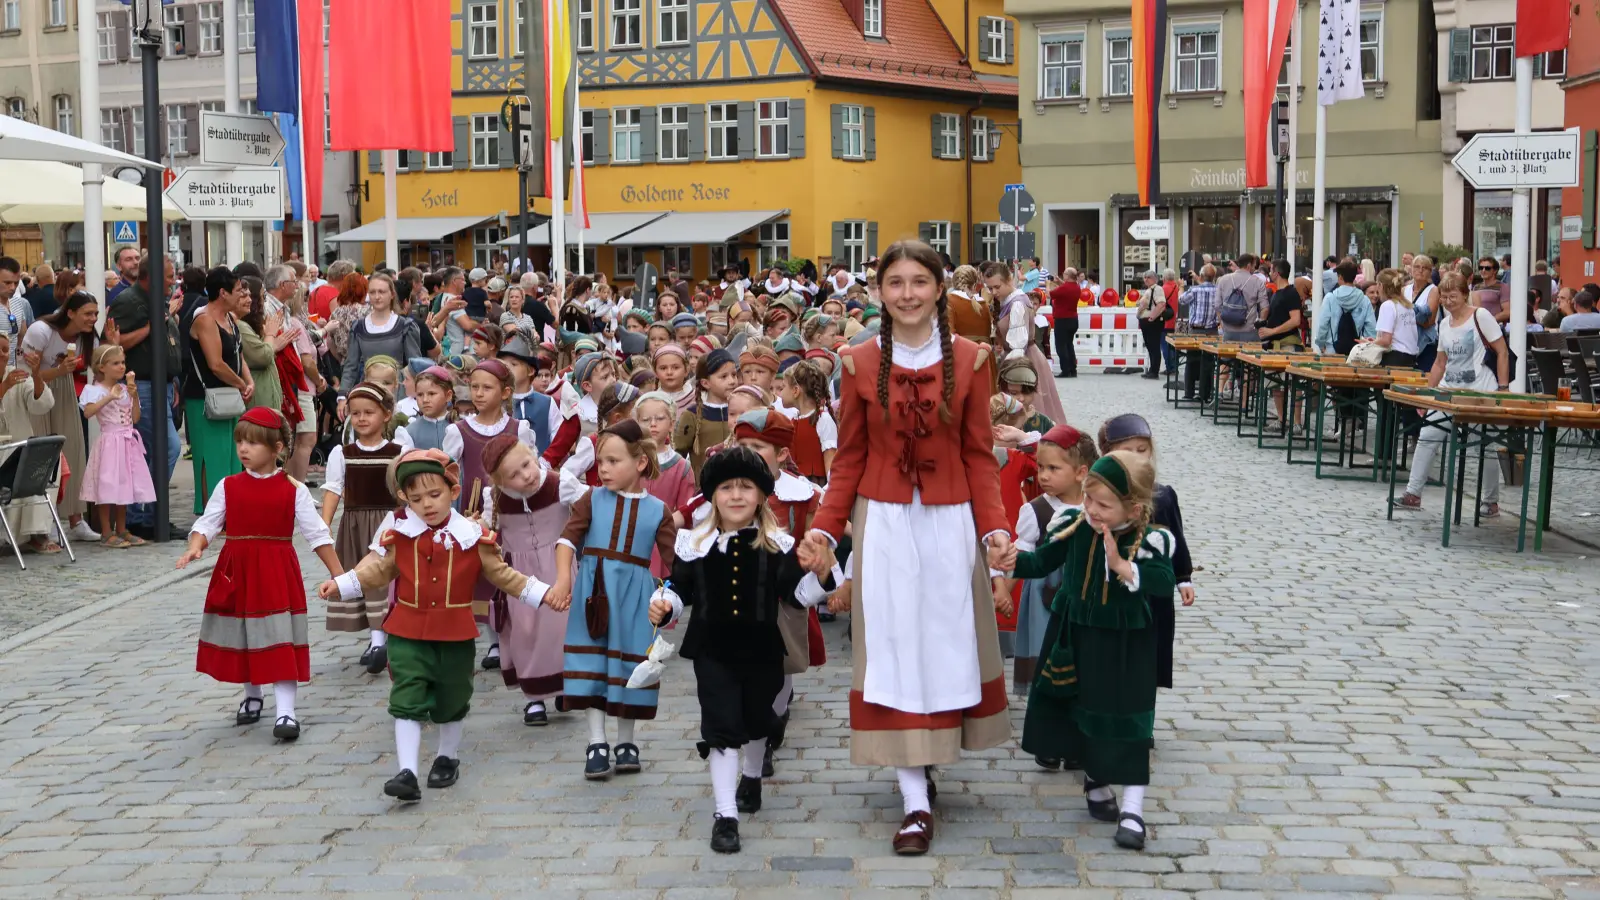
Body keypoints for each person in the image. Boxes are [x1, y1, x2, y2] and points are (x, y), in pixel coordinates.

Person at [796, 240, 1012, 856]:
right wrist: (824, 525)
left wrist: (994, 528)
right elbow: (852, 458)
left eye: (920, 281)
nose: (908, 293)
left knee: (944, 646)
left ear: (940, 289)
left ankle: (932, 753)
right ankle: (914, 798)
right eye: (896, 282)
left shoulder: (970, 360)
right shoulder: (859, 361)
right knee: (891, 650)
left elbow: (977, 454)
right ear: (880, 290)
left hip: (948, 525)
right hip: (885, 523)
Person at [320, 449, 552, 802]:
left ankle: (447, 755)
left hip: (454, 631)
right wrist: (343, 582)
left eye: (434, 495)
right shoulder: (399, 536)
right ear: (405, 500)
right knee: (407, 696)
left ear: (453, 491)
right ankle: (408, 771)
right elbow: (378, 570)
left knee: (452, 696)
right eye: (415, 499)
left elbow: (503, 575)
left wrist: (542, 594)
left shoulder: (473, 538)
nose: (426, 505)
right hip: (407, 629)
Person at [648, 446, 836, 854]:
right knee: (721, 728)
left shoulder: (778, 546)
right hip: (712, 650)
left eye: (746, 487)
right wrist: (666, 603)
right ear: (713, 495)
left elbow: (797, 596)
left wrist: (822, 576)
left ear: (761, 496)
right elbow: (681, 588)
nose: (736, 495)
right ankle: (725, 815)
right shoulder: (695, 544)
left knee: (755, 721)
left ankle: (752, 776)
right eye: (727, 488)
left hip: (762, 649)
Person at [997, 451, 1177, 851]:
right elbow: (1042, 561)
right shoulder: (1074, 525)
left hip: (1125, 644)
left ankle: (1133, 807)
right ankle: (1095, 783)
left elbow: (1164, 582)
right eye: (1088, 499)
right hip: (1073, 634)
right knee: (1080, 712)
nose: (1091, 509)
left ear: (1134, 507)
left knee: (1129, 722)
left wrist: (1124, 567)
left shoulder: (1147, 539)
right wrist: (1009, 563)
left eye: (1103, 504)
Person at [179, 408, 343, 741]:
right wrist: (196, 545)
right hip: (237, 569)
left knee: (279, 635)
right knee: (244, 633)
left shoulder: (292, 490)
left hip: (276, 570)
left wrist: (340, 575)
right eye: (240, 441)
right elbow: (208, 524)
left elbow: (317, 534)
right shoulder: (228, 486)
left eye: (253, 443)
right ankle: (252, 695)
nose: (243, 448)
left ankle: (286, 712)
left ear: (278, 447)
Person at [550, 419, 678, 779]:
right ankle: (596, 742)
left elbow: (675, 566)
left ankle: (626, 741)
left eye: (612, 461)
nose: (603, 469)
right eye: (600, 462)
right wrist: (564, 581)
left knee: (631, 667)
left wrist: (668, 600)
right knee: (592, 667)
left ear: (639, 463)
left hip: (637, 600)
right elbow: (566, 541)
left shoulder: (659, 510)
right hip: (594, 596)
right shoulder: (591, 499)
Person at [478, 434, 574, 727]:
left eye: (527, 465)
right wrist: (476, 527)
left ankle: (562, 686)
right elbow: (488, 526)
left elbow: (587, 507)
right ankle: (534, 698)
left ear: (534, 456)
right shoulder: (494, 497)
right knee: (524, 632)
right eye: (514, 475)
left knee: (560, 631)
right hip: (518, 574)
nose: (526, 476)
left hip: (559, 566)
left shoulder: (561, 483)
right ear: (500, 482)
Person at [1397, 272, 1511, 516]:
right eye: (1444, 297)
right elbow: (1440, 362)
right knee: (1428, 434)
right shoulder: (1444, 323)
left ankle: (1490, 501)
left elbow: (1502, 351)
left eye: (1453, 296)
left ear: (1464, 294)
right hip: (1449, 392)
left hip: (1482, 392)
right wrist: (1429, 392)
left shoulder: (1481, 316)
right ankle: (1413, 493)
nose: (1448, 302)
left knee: (1488, 445)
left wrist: (1503, 388)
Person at [320, 382, 406, 672]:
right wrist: (325, 525)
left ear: (386, 414)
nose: (361, 418)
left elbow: (407, 489)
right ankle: (376, 638)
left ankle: (383, 639)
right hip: (356, 525)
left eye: (369, 412)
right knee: (365, 580)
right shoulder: (342, 453)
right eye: (355, 413)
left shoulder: (399, 451)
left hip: (389, 523)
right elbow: (334, 488)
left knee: (384, 581)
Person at [107, 255, 183, 539]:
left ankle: (147, 515)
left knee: (155, 451)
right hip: (142, 386)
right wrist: (150, 328)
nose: (172, 280)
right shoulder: (128, 301)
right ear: (150, 276)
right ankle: (145, 515)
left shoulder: (157, 300)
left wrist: (171, 378)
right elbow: (116, 343)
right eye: (168, 275)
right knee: (166, 448)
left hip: (160, 385)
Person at [22, 292, 100, 541]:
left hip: (64, 390)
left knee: (73, 450)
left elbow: (100, 365)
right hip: (37, 391)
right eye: (88, 313)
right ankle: (48, 520)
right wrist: (57, 371)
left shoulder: (87, 338)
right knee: (43, 454)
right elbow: (23, 377)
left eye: (95, 313)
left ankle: (76, 519)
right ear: (70, 313)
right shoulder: (41, 331)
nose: (93, 318)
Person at [183, 268, 253, 514]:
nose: (241, 295)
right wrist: (242, 384)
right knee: (210, 457)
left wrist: (248, 379)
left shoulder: (230, 318)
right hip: (205, 398)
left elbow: (237, 354)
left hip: (229, 395)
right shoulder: (204, 319)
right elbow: (215, 364)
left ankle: (231, 508)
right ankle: (211, 511)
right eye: (237, 291)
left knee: (231, 454)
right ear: (222, 293)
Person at [78, 345, 156, 548]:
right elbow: (88, 412)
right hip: (110, 442)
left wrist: (135, 396)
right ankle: (106, 531)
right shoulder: (94, 389)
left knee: (124, 486)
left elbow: (135, 417)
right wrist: (109, 397)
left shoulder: (124, 389)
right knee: (107, 486)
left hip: (127, 441)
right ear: (102, 367)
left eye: (122, 362)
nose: (121, 367)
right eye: (115, 363)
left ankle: (122, 529)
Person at [984, 262, 1066, 426]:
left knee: (1028, 409)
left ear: (1009, 280)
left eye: (997, 287)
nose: (993, 292)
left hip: (1022, 358)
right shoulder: (1011, 301)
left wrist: (1009, 367)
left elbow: (1017, 344)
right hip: (1022, 355)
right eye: (990, 288)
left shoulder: (1017, 303)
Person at [341, 273, 422, 395]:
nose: (377, 296)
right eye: (372, 292)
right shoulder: (358, 327)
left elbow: (415, 365)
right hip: (368, 392)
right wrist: (342, 395)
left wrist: (418, 393)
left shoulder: (405, 326)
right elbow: (351, 366)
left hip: (398, 392)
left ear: (392, 294)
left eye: (382, 292)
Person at [236, 276, 286, 418]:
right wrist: (270, 335)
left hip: (264, 399)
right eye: (243, 295)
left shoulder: (246, 325)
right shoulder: (241, 326)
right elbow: (263, 356)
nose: (249, 300)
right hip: (258, 401)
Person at [1312, 260, 1377, 355]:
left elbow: (1323, 325)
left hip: (1332, 350)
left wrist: (1321, 344)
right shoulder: (1364, 300)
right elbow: (1371, 328)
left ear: (1340, 277)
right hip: (1356, 352)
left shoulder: (1330, 298)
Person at [1214, 253, 1270, 344]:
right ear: (1248, 265)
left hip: (1228, 332)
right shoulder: (1257, 282)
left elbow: (1217, 306)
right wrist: (1260, 324)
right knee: (1249, 357)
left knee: (1228, 357)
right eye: (1254, 266)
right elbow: (1265, 308)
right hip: (1249, 332)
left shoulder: (1223, 280)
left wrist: (1223, 325)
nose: (1255, 268)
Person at [1373, 268, 1420, 367]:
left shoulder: (1388, 305)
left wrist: (1369, 343)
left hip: (1395, 357)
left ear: (1381, 285)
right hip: (1411, 357)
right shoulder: (1407, 306)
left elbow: (1386, 340)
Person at [1405, 255, 1440, 374]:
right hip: (1407, 342)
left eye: (1424, 268)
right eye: (1417, 267)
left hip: (1425, 343)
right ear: (1411, 269)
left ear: (1430, 272)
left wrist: (1406, 316)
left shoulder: (1433, 290)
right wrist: (1416, 314)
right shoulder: (1404, 289)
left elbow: (1428, 321)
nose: (1420, 270)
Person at [1135, 274, 1168, 380]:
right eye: (1144, 277)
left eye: (1148, 277)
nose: (1145, 279)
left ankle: (1154, 371)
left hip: (1152, 322)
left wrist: (1152, 317)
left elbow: (1161, 304)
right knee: (1150, 346)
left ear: (1154, 279)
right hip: (1146, 321)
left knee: (1154, 346)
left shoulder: (1157, 289)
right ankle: (1152, 370)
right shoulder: (1149, 289)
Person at [1050, 273, 1081, 377]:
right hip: (1073, 319)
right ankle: (1073, 369)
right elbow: (1067, 287)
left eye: (1064, 274)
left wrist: (1047, 284)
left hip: (1062, 319)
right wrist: (1060, 282)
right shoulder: (1076, 287)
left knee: (1061, 346)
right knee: (1069, 344)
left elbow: (1049, 294)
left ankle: (1065, 370)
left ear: (1067, 276)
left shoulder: (1064, 288)